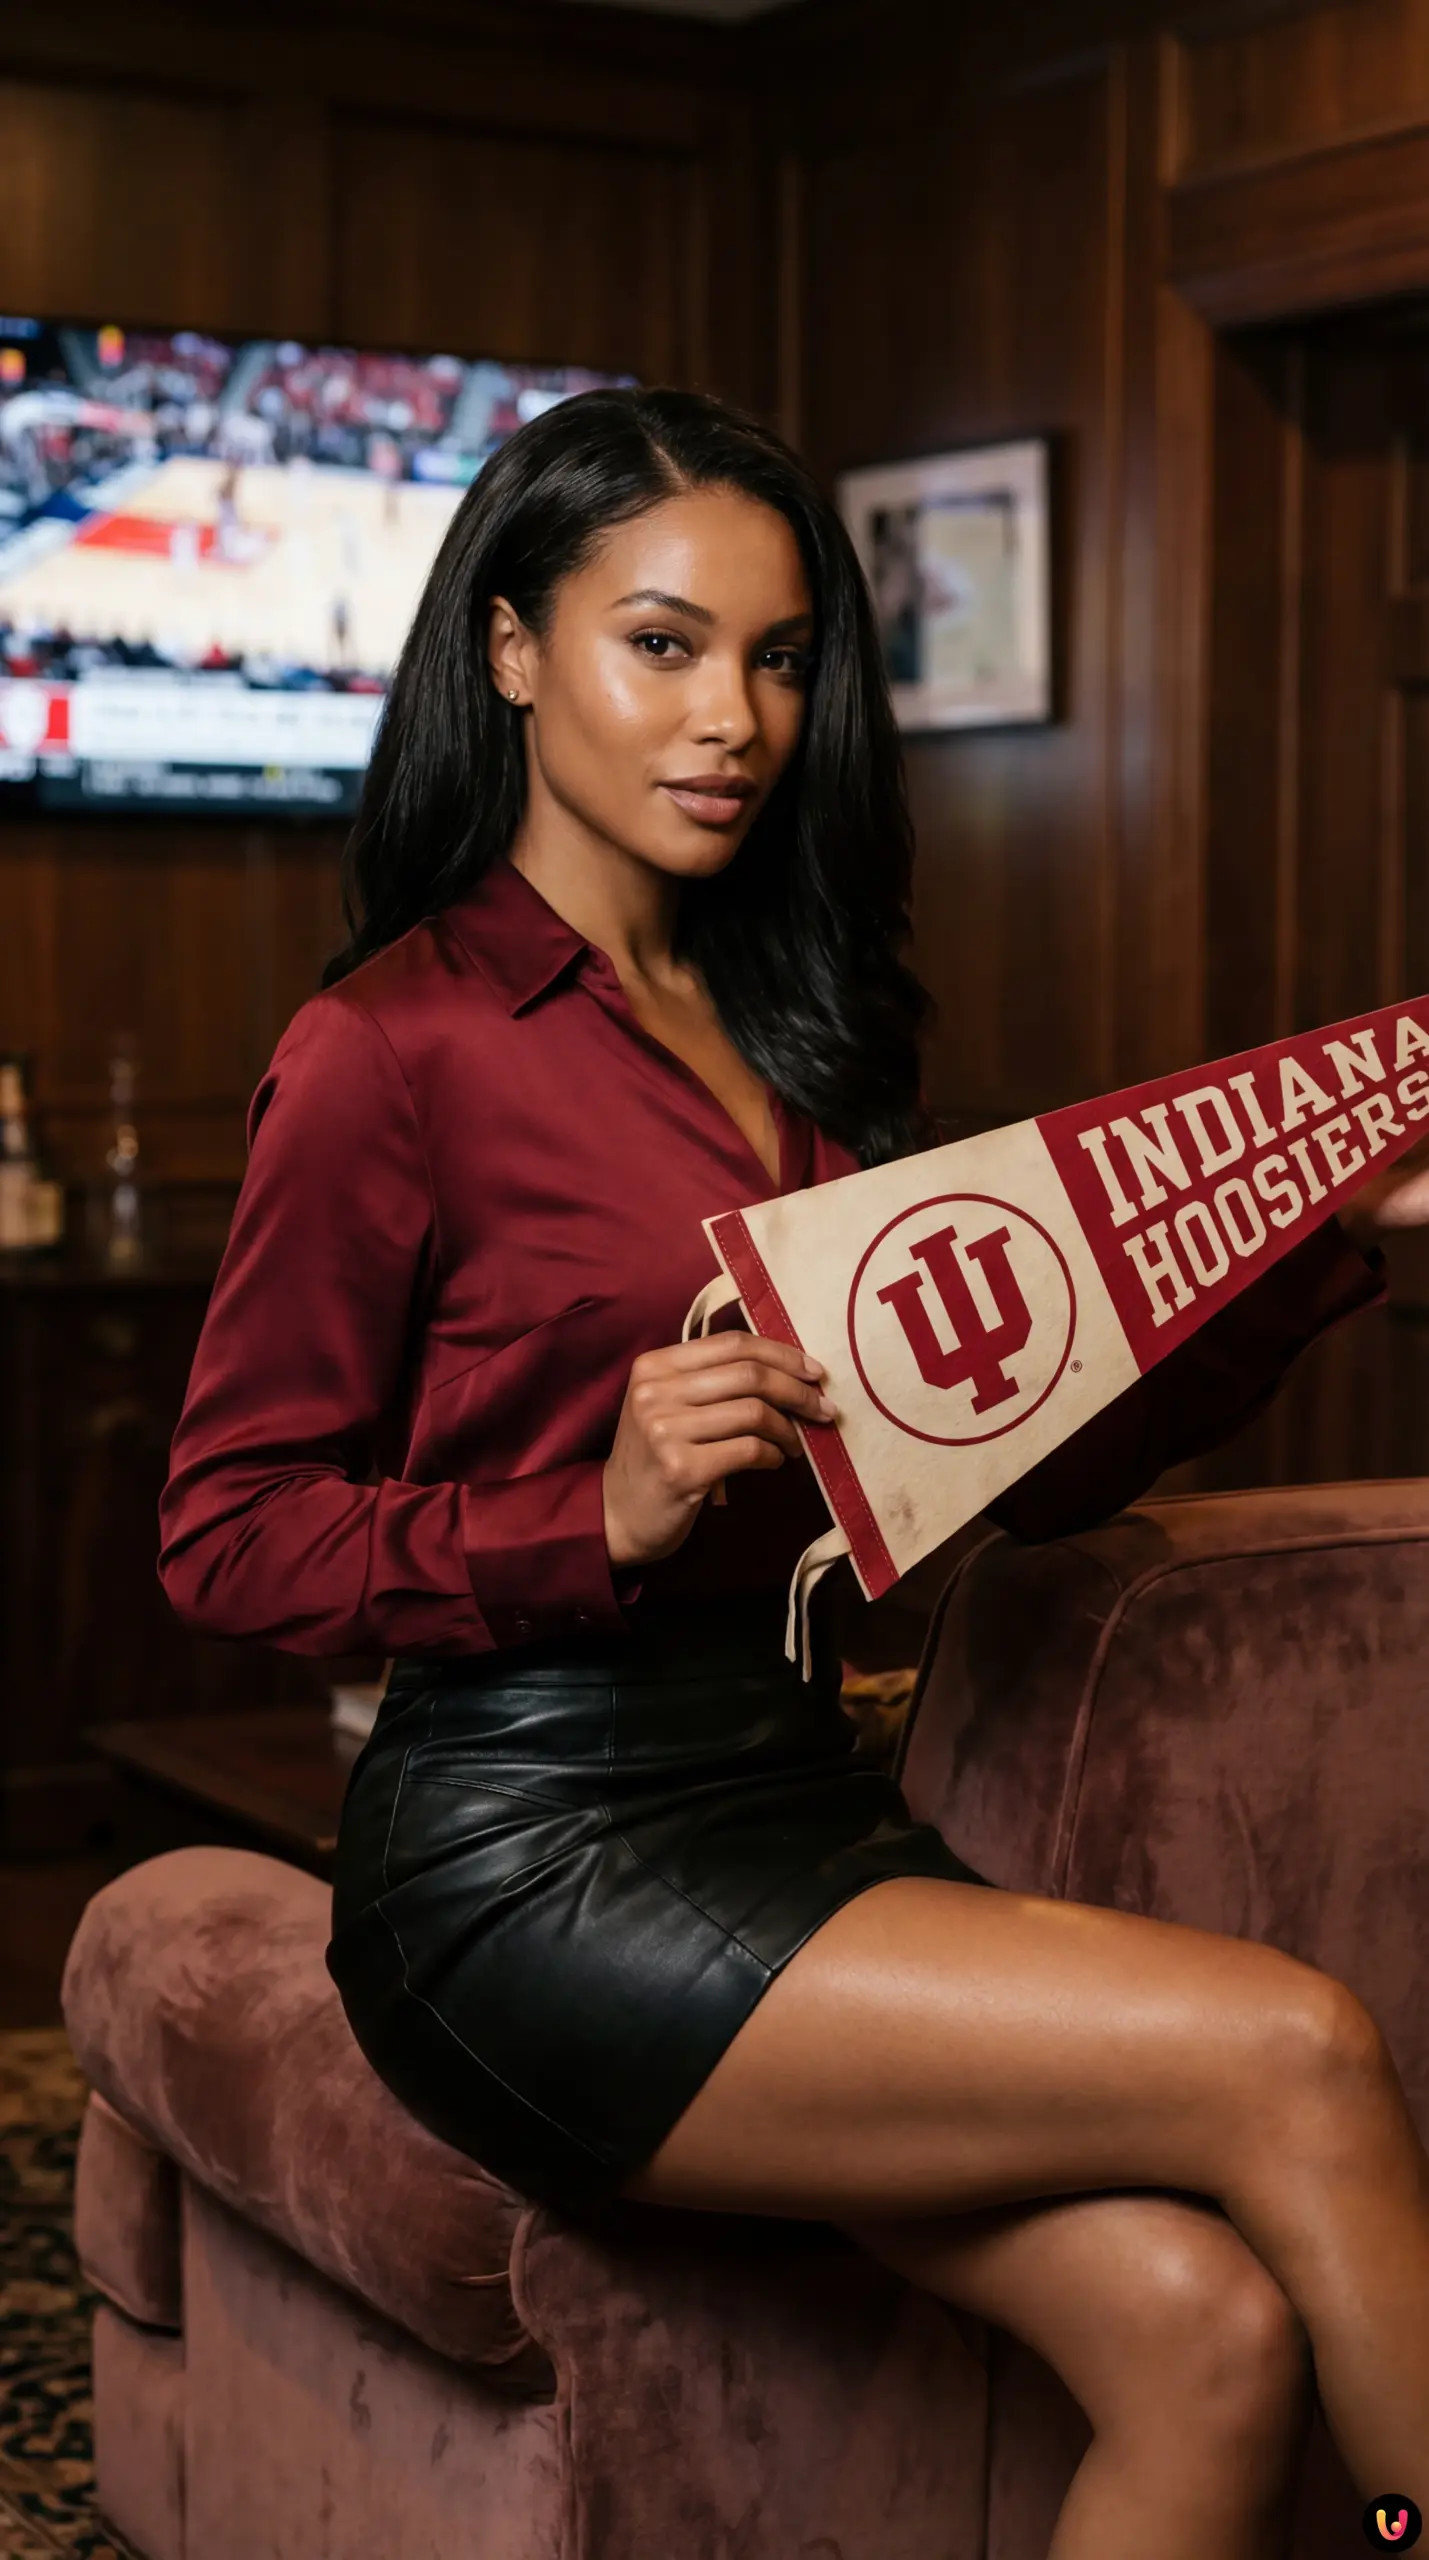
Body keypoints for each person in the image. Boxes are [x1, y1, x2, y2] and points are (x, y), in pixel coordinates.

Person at [159, 386, 1429, 2555]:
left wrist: (1325, 1252)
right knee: (1295, 2043)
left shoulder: (804, 1035)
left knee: (1199, 2328)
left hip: (796, 1796)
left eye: (779, 656)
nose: (732, 712)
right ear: (510, 646)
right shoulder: (392, 1046)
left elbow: (1011, 1466)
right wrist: (596, 1513)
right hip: (521, 1857)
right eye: (663, 643)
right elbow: (225, 1528)